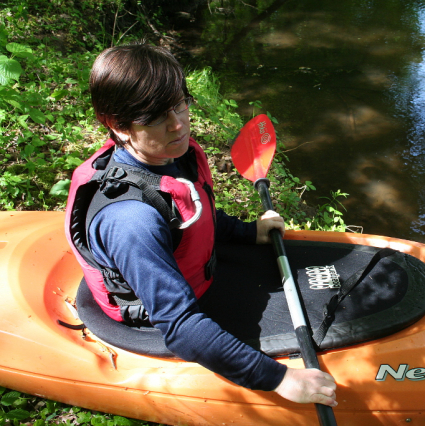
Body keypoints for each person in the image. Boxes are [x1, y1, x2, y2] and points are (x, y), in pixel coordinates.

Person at [65, 43, 337, 407]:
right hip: (161, 319)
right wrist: (281, 379)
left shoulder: (169, 153)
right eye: (156, 116)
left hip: (188, 275)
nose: (178, 124)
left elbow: (190, 215)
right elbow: (180, 328)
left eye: (179, 104)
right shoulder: (131, 221)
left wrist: (245, 232)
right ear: (118, 125)